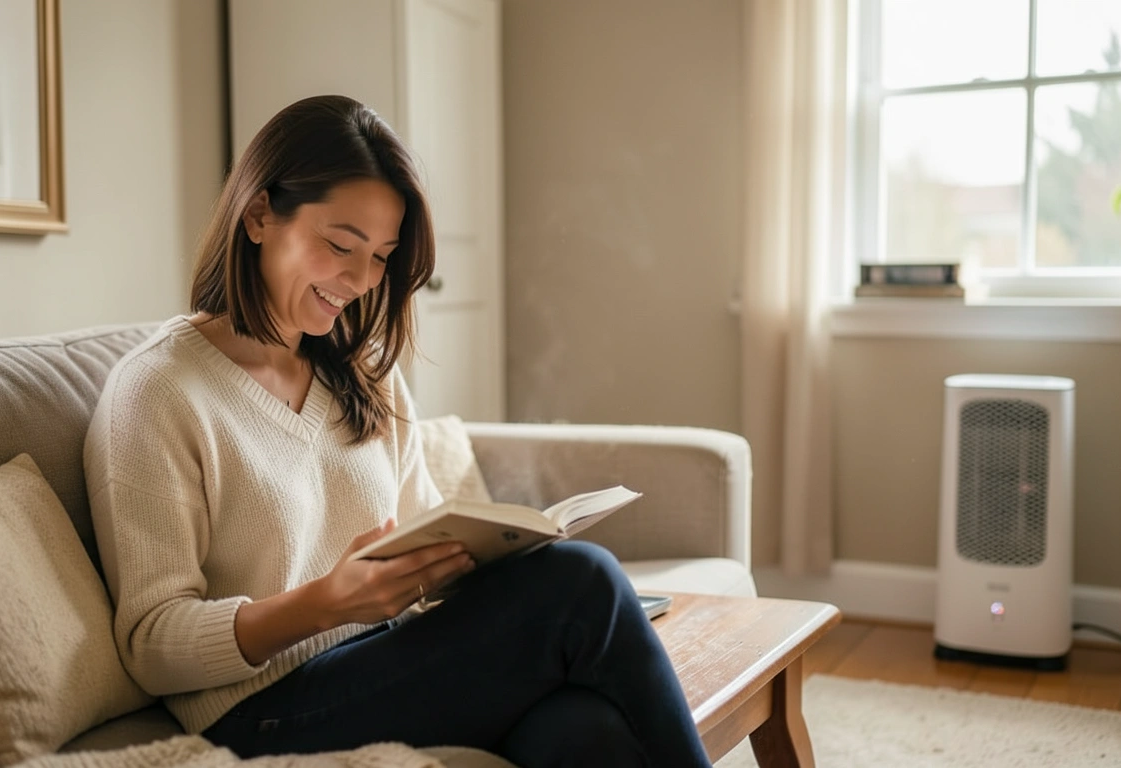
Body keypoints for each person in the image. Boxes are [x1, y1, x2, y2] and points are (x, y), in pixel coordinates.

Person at [83, 95, 712, 768]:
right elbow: (151, 644)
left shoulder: (363, 374)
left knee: (584, 729)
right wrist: (323, 604)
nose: (360, 280)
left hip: (384, 660)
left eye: (381, 256)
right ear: (260, 215)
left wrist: (491, 557)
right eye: (340, 246)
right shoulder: (159, 391)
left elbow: (423, 530)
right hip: (256, 710)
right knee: (583, 580)